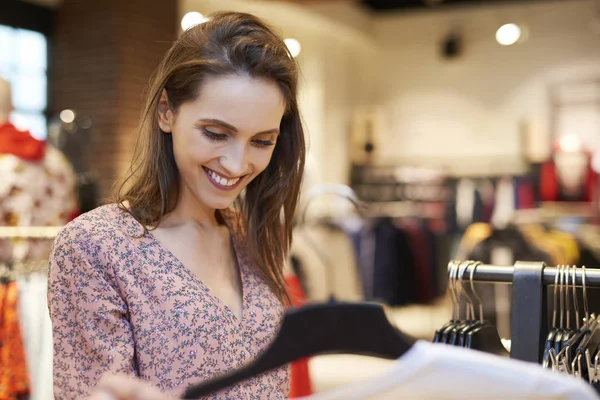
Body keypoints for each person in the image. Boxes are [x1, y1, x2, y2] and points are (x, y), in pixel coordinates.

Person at [48, 11, 305, 399]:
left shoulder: (253, 235)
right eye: (216, 134)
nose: (237, 164)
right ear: (166, 111)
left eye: (262, 141)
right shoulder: (97, 246)